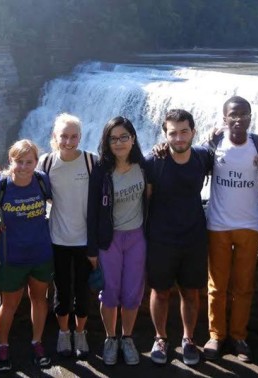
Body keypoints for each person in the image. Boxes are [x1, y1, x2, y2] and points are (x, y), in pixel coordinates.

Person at [202, 96, 258, 363]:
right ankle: (216, 335)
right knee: (216, 286)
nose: (238, 119)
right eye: (233, 114)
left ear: (250, 116)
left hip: (250, 225)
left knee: (244, 287)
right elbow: (185, 154)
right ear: (224, 118)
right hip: (218, 225)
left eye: (243, 114)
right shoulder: (213, 144)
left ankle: (239, 337)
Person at [144, 109, 213, 366]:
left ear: (193, 132)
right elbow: (145, 199)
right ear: (165, 135)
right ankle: (160, 338)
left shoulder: (203, 157)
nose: (179, 138)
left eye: (184, 131)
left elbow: (226, 143)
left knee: (191, 293)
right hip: (161, 238)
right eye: (173, 133)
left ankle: (188, 339)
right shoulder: (154, 162)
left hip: (194, 237)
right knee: (160, 292)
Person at [87, 116, 147, 366]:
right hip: (109, 240)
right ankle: (111, 338)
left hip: (137, 238)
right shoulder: (101, 171)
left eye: (124, 137)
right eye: (114, 138)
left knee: (133, 293)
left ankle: (127, 338)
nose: (119, 142)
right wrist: (92, 248)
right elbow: (92, 211)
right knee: (110, 292)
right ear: (107, 142)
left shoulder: (145, 165)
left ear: (133, 138)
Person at [0, 139, 53, 372]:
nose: (24, 167)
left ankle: (37, 342)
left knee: (39, 299)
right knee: (8, 305)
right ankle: (3, 345)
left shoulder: (41, 180)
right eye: (19, 161)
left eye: (29, 162)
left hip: (40, 253)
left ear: (37, 163)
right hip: (12, 255)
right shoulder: (0, 185)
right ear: (11, 161)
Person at [38, 113, 96, 359]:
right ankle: (64, 333)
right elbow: (28, 185)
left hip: (85, 242)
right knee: (61, 290)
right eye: (64, 136)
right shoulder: (46, 163)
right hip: (58, 239)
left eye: (74, 136)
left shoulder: (92, 161)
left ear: (80, 137)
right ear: (55, 137)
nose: (69, 141)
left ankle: (80, 333)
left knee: (82, 291)